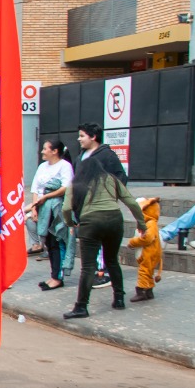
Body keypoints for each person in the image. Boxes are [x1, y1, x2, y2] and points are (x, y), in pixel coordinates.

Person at [61, 148, 145, 319]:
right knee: (112, 261)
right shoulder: (111, 179)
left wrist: (71, 223)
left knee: (88, 267)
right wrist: (141, 223)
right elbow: (131, 202)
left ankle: (81, 307)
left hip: (90, 224)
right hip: (114, 221)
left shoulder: (75, 184)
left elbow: (66, 208)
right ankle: (119, 299)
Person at [75, 123, 122, 288]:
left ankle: (104, 273)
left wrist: (108, 195)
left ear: (93, 137)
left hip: (100, 209)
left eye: (82, 136)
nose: (79, 139)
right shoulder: (80, 157)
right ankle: (94, 271)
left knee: (102, 241)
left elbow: (120, 177)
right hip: (83, 208)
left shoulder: (107, 156)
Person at [28, 139, 74, 291]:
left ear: (55, 151)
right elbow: (35, 188)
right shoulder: (42, 166)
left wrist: (47, 196)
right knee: (49, 242)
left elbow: (66, 187)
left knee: (57, 241)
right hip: (43, 209)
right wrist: (34, 208)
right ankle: (54, 274)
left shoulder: (65, 166)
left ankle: (58, 277)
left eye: (45, 149)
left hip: (57, 210)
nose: (42, 151)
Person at [127, 197, 162, 302]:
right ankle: (149, 291)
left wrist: (133, 242)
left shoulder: (150, 223)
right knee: (148, 272)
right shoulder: (148, 222)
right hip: (149, 252)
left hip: (149, 253)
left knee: (144, 271)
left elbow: (147, 238)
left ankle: (140, 291)